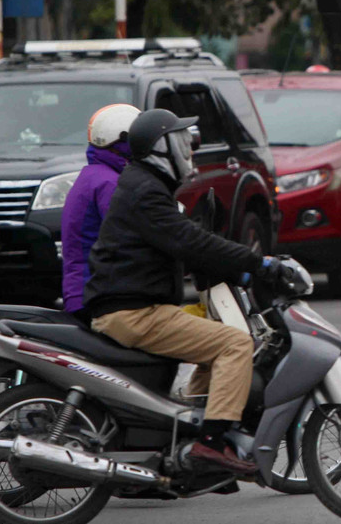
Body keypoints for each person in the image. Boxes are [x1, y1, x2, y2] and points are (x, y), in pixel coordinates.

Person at [83, 108, 287, 474]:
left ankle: (187, 429)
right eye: (179, 142)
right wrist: (258, 263)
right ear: (161, 150)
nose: (187, 149)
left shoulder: (142, 183)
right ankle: (210, 443)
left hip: (133, 304)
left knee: (213, 346)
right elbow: (190, 240)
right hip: (135, 312)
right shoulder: (146, 191)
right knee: (235, 344)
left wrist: (237, 275)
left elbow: (175, 245)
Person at [61, 104, 140, 318]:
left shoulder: (94, 175)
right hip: (96, 297)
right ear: (124, 139)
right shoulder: (109, 183)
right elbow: (128, 236)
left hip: (82, 292)